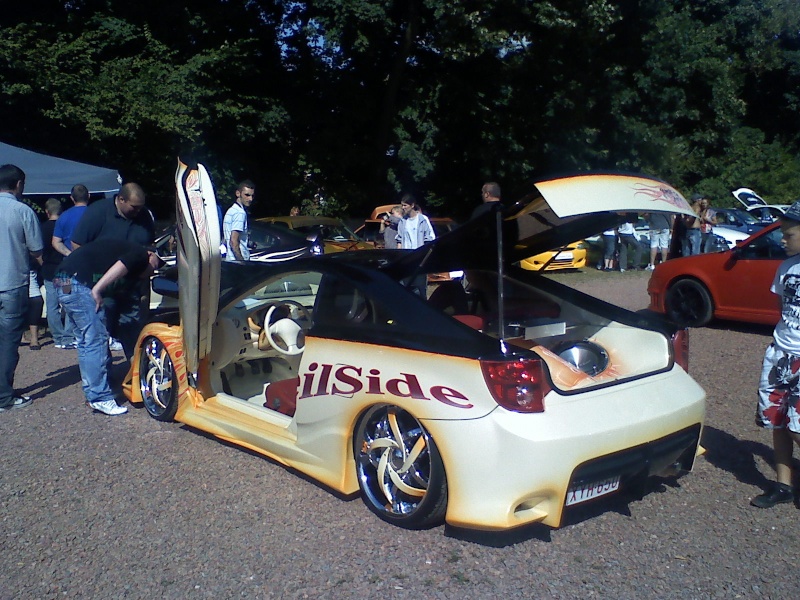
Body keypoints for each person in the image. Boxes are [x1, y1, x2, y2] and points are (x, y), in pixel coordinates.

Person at [54, 240, 163, 416]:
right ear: (152, 255)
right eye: (156, 266)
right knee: (96, 340)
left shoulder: (117, 249)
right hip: (78, 282)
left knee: (85, 341)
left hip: (62, 279)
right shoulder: (140, 253)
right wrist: (97, 290)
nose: (153, 271)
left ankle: (92, 392)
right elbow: (121, 266)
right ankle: (100, 397)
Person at [751, 200, 800, 508]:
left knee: (798, 426)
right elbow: (782, 308)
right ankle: (784, 485)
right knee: (778, 421)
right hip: (780, 353)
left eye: (789, 234)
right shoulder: (785, 267)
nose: (782, 239)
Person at [70, 183, 155, 357]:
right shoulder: (98, 212)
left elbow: (149, 246)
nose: (138, 211)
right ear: (121, 199)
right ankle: (104, 375)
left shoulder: (144, 216)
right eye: (134, 207)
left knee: (132, 330)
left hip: (131, 284)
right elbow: (77, 244)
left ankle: (136, 372)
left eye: (141, 207)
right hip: (102, 283)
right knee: (102, 332)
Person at [0, 164, 43, 413]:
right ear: (18, 184)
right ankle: (4, 395)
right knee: (8, 341)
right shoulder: (22, 210)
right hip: (12, 283)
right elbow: (37, 250)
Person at [40, 197, 75, 349]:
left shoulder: (42, 228)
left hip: (48, 270)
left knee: (52, 305)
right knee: (67, 303)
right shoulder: (65, 226)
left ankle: (58, 337)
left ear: (47, 212)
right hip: (64, 270)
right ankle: (68, 336)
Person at [396, 195, 436, 296]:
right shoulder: (402, 221)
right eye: (402, 205)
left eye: (405, 205)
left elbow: (430, 239)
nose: (403, 208)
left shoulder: (423, 220)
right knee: (406, 290)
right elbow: (399, 240)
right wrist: (398, 258)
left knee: (421, 290)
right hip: (406, 260)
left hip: (419, 260)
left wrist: (425, 257)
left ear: (412, 205)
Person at [52, 184, 90, 257]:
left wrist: (70, 255)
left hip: (71, 263)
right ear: (88, 196)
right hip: (93, 260)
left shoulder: (63, 216)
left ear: (72, 198)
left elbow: (56, 242)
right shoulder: (97, 214)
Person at [223, 180, 256, 261]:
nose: (250, 199)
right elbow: (233, 241)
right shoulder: (240, 213)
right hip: (236, 261)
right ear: (238, 193)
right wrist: (241, 261)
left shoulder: (231, 210)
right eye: (247, 195)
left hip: (229, 259)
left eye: (252, 196)